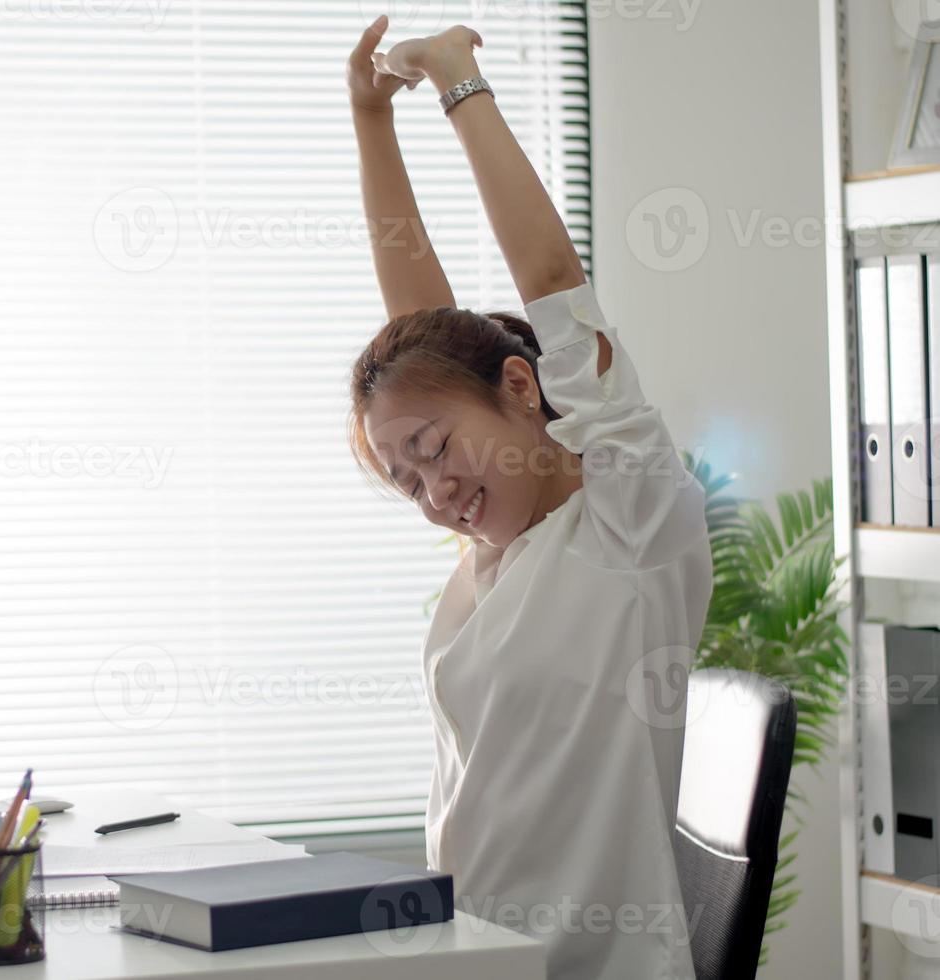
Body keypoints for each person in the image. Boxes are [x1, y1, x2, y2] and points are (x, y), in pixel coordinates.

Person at [345, 18, 713, 980]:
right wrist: (370, 120)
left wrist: (458, 82)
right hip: (473, 962)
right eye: (408, 480)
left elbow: (553, 282)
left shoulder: (629, 520)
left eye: (434, 454)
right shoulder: (497, 557)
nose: (436, 496)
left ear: (521, 387)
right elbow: (419, 337)